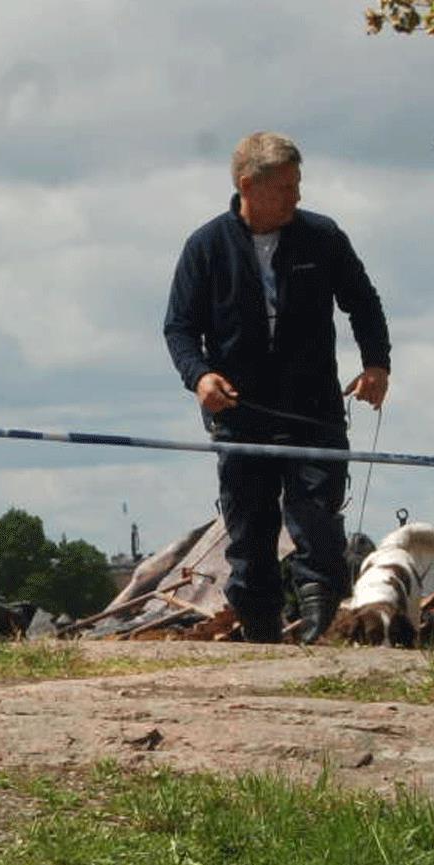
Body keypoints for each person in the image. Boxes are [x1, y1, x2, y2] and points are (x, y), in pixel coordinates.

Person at [164, 131, 390, 644]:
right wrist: (199, 376)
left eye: (298, 185)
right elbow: (179, 327)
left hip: (313, 410)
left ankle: (317, 625)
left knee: (316, 519)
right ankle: (262, 638)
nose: (296, 196)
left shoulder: (323, 237)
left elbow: (363, 301)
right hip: (240, 414)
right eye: (285, 187)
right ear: (248, 185)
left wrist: (376, 364)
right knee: (249, 533)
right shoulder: (205, 247)